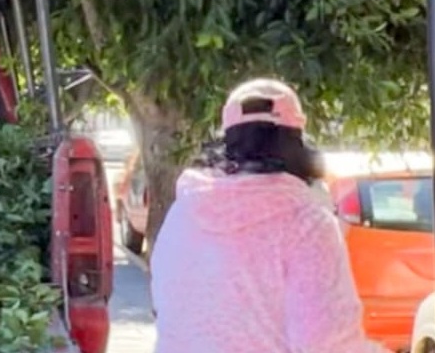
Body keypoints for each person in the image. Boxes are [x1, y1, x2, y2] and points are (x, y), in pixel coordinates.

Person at [149, 78, 385, 353]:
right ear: (297, 143)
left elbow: (165, 310)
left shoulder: (182, 214)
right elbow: (327, 344)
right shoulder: (307, 225)